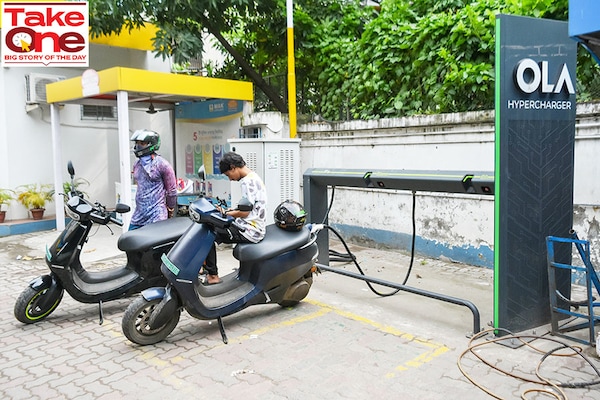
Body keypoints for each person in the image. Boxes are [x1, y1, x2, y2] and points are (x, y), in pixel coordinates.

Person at [204, 151, 267, 284]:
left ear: (233, 167)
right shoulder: (253, 177)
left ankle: (212, 276)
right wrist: (229, 211)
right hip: (249, 225)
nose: (230, 179)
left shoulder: (247, 182)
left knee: (207, 234)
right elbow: (247, 207)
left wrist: (227, 213)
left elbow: (245, 212)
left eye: (228, 175)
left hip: (250, 231)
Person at [128, 129, 178, 230]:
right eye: (137, 143)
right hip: (139, 215)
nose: (138, 146)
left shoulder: (162, 164)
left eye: (142, 143)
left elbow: (172, 191)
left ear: (151, 144)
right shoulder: (137, 164)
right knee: (129, 241)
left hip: (157, 215)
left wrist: (170, 207)